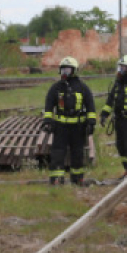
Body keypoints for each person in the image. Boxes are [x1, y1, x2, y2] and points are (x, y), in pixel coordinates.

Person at [42, 56, 97, 185]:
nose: (64, 73)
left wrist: (91, 122)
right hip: (60, 127)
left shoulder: (83, 88)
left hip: (78, 127)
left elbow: (90, 106)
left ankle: (77, 178)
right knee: (57, 153)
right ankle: (56, 179)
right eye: (63, 70)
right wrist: (48, 121)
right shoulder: (56, 88)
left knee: (77, 154)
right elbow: (49, 105)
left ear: (74, 71)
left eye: (67, 70)